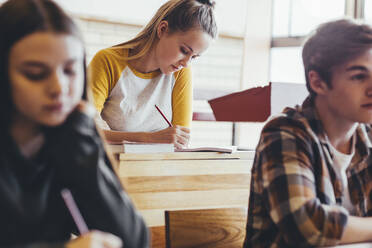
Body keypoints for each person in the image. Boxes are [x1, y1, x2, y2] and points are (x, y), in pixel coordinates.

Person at [0, 0, 149, 247]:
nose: (59, 88)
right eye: (35, 74)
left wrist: (80, 139)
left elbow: (132, 240)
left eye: (70, 71)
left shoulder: (72, 135)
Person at [244, 19, 372, 247]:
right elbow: (307, 227)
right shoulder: (284, 133)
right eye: (359, 76)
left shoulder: (368, 137)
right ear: (318, 82)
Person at [88, 0, 217, 149]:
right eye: (184, 51)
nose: (186, 63)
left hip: (157, 168)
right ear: (162, 29)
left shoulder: (181, 72)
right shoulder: (107, 61)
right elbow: (86, 130)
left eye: (194, 57)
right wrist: (149, 138)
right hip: (110, 166)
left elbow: (180, 142)